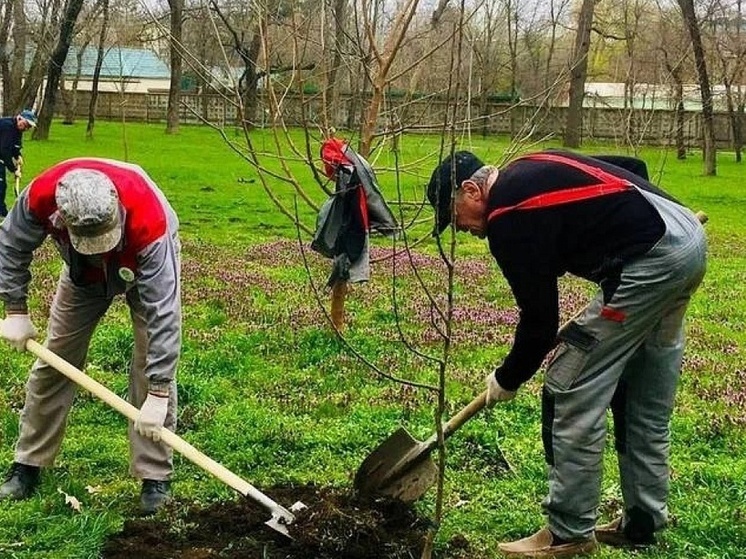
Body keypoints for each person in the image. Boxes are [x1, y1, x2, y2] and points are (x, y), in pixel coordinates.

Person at [427, 149, 707, 558]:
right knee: (640, 393)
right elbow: (631, 168)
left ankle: (568, 532)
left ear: (472, 190)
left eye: (455, 217)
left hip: (653, 260)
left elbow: (540, 323)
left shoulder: (508, 215)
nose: (463, 229)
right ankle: (642, 522)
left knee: (568, 383)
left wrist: (506, 378)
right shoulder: (534, 164)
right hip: (683, 239)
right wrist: (637, 234)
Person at [0, 157, 181, 515]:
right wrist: (15, 310)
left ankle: (154, 477)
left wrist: (158, 393)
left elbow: (165, 312)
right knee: (56, 361)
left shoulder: (150, 221)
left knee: (149, 365)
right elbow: (10, 245)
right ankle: (28, 464)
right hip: (82, 275)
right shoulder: (41, 196)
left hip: (141, 265)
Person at [0, 109, 37, 217]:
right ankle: (2, 211)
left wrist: (18, 155)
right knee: (1, 185)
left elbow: (15, 146)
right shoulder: (7, 126)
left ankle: (2, 211)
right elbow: (5, 150)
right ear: (19, 118)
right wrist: (14, 170)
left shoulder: (18, 130)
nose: (26, 128)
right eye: (26, 124)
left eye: (29, 127)